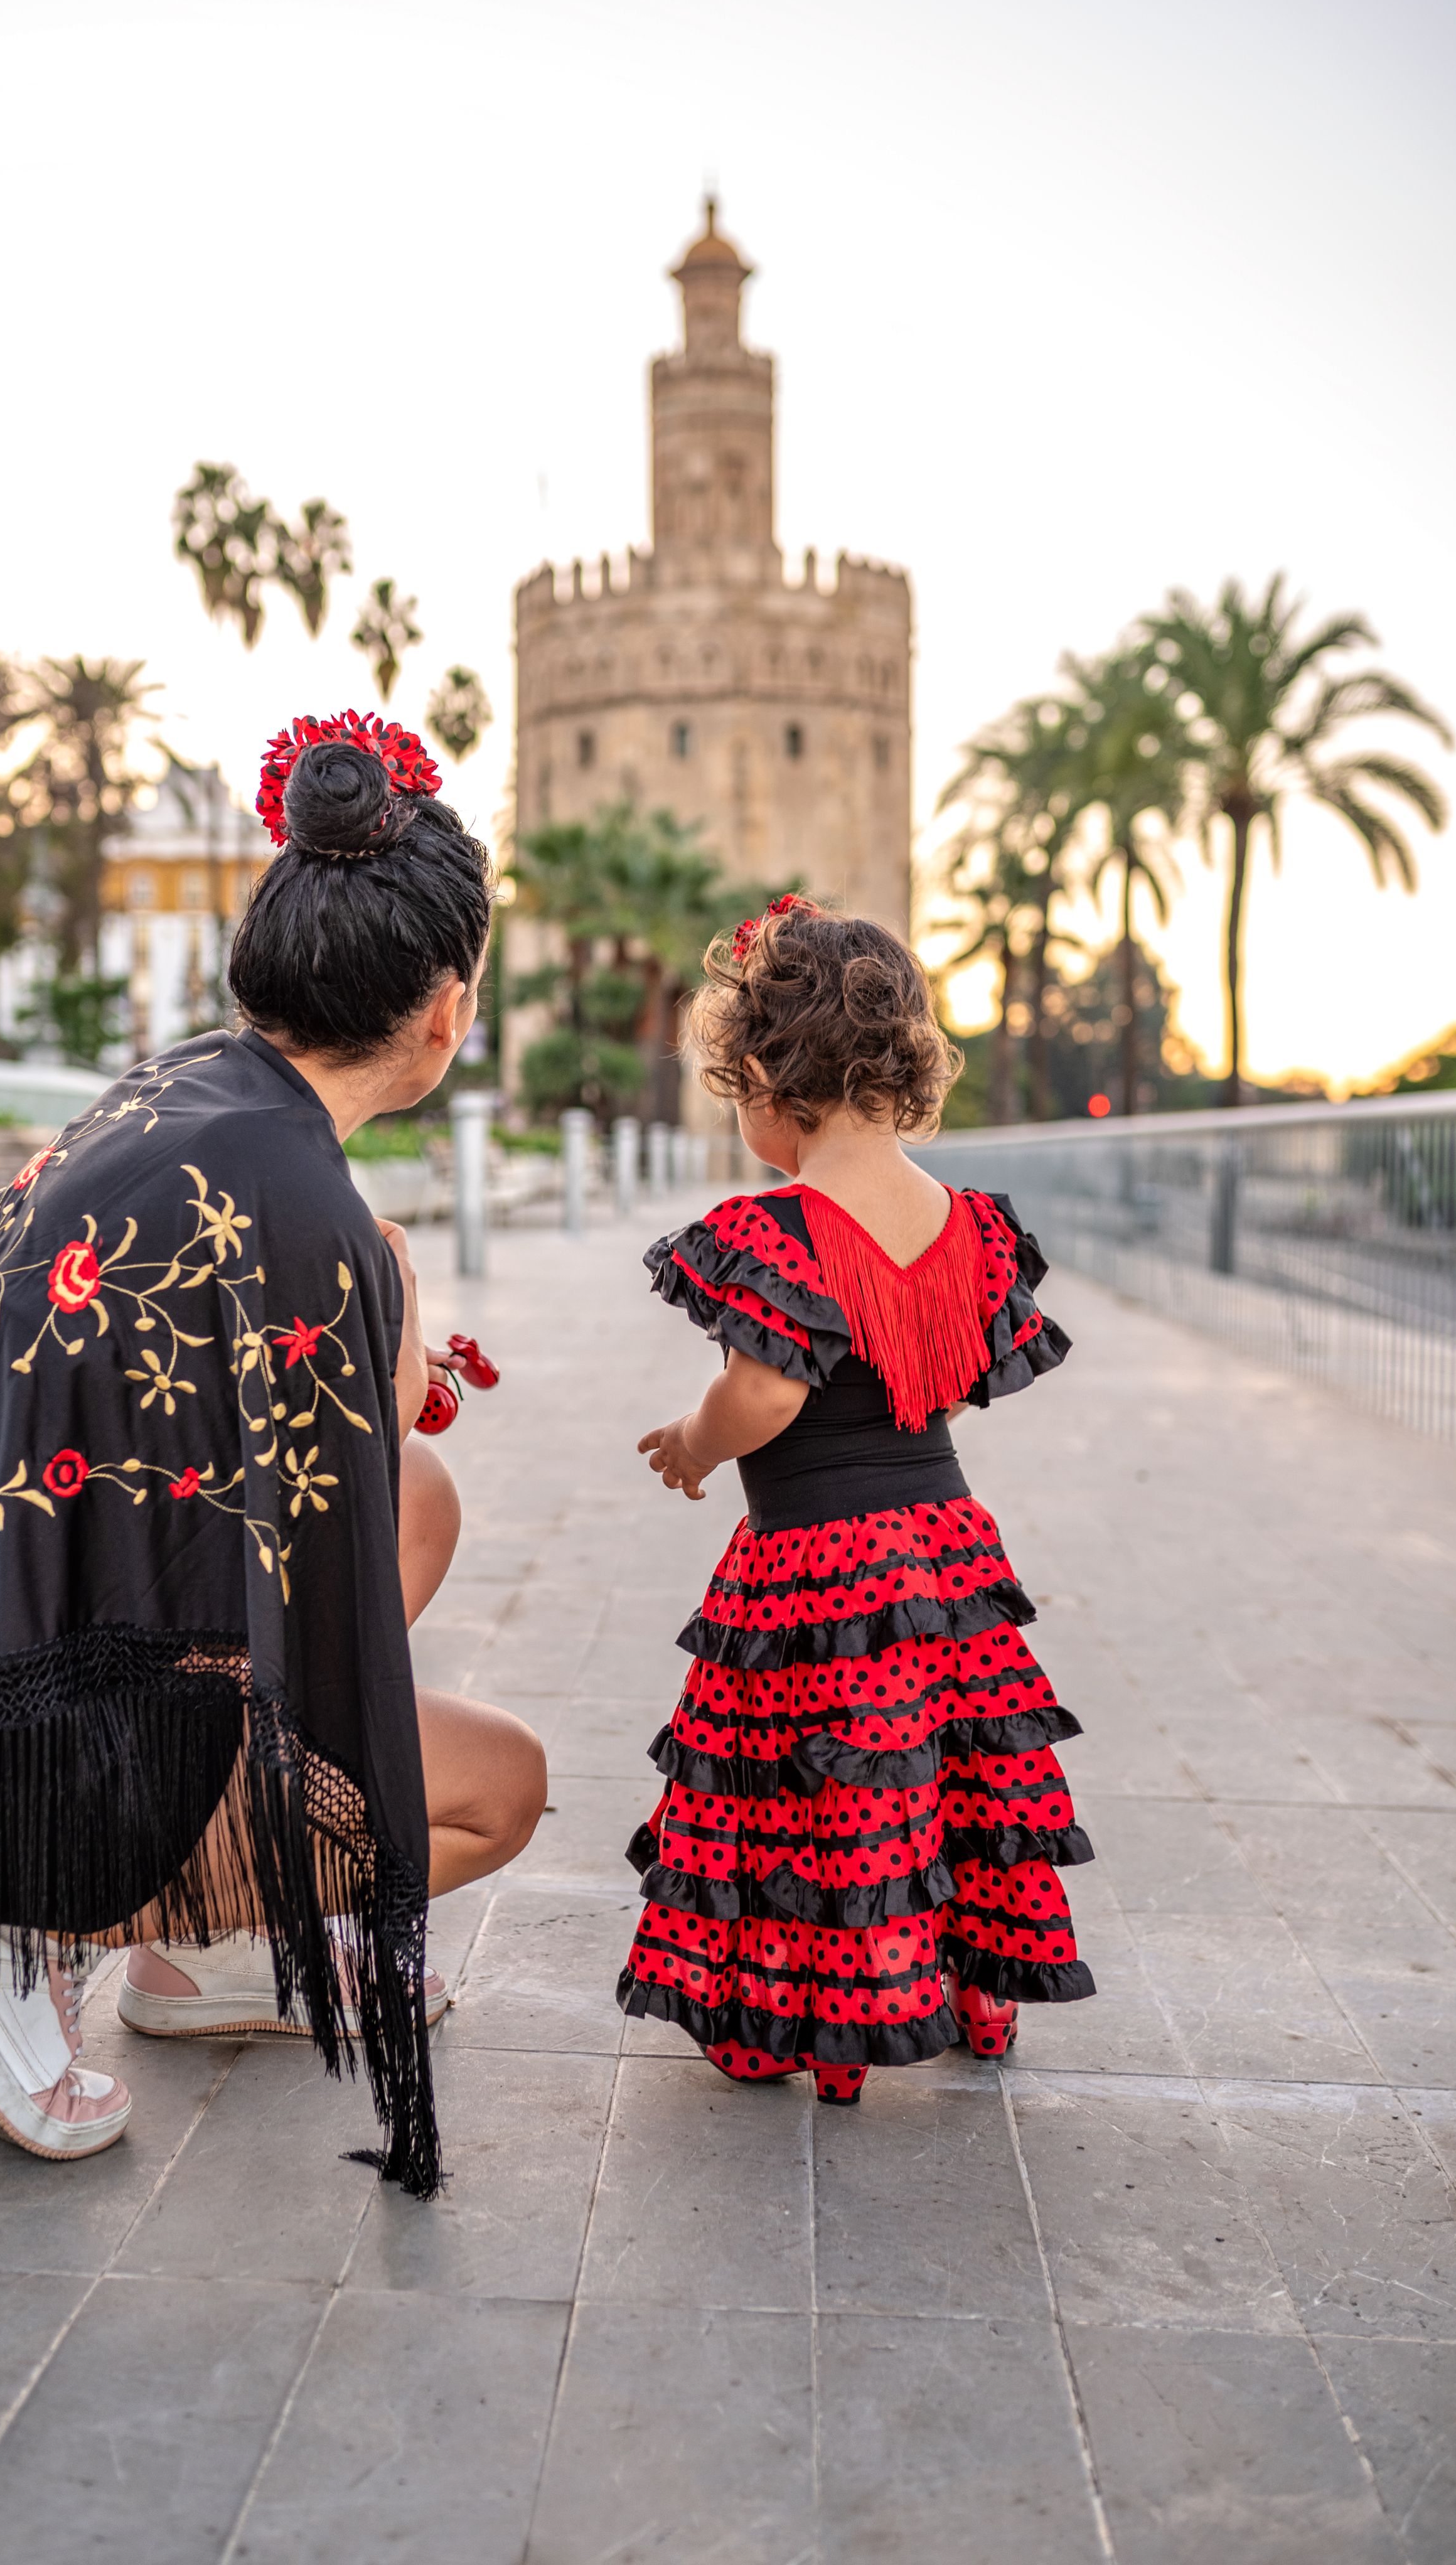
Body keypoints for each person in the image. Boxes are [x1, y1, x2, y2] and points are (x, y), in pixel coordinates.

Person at [0, 712, 545, 2194]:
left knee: (424, 1507)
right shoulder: (309, 1208)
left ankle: (202, 1968)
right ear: (446, 1011)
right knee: (491, 1788)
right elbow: (323, 1635)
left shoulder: (176, 1088)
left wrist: (368, 1302)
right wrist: (380, 1331)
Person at [619, 896, 1092, 2102]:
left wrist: (693, 1442)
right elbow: (954, 1372)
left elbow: (766, 1395)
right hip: (947, 1554)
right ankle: (976, 1986)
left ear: (771, 1075)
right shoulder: (967, 1227)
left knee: (817, 1788)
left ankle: (816, 2010)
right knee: (951, 1776)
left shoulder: (780, 1230)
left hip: (819, 1567)